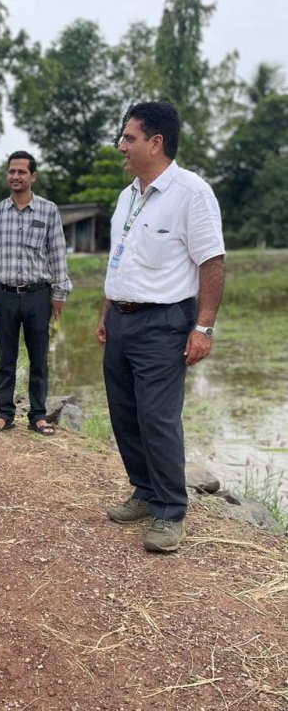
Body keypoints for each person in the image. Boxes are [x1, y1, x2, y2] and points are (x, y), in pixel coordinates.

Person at [95, 101, 225, 554]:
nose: (121, 146)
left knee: (158, 417)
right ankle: (145, 492)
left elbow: (211, 261)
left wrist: (203, 328)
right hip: (123, 319)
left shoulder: (192, 192)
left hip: (164, 322)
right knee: (125, 412)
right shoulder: (127, 195)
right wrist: (106, 311)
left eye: (129, 138)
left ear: (156, 142)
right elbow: (120, 257)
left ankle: (171, 511)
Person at [0, 151, 72, 436]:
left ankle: (38, 415)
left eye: (21, 172)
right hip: (5, 296)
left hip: (38, 295)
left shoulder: (48, 211)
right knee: (6, 359)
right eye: (11, 171)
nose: (15, 176)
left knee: (39, 358)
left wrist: (59, 294)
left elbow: (58, 254)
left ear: (33, 177)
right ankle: (4, 414)